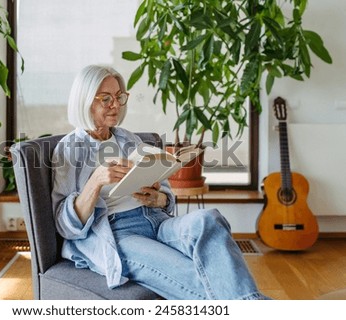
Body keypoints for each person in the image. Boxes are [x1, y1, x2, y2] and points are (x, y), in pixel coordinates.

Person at [51, 64, 268, 300]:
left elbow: (165, 195)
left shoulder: (128, 139)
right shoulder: (69, 149)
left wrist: (158, 197)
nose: (115, 104)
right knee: (195, 276)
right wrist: (95, 182)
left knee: (210, 219)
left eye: (119, 96)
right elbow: (64, 225)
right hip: (119, 234)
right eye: (105, 98)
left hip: (157, 221)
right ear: (85, 100)